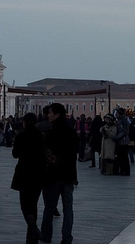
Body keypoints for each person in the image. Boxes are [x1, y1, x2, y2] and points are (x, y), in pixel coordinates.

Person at [43, 103, 78, 244]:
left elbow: (46, 151)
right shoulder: (71, 131)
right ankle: (67, 237)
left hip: (53, 175)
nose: (48, 115)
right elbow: (74, 153)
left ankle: (46, 235)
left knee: (49, 208)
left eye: (50, 113)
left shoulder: (51, 132)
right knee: (68, 208)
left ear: (57, 114)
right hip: (69, 174)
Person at [12, 113, 46, 244]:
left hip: (24, 172)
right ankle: (31, 238)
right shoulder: (41, 136)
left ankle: (33, 227)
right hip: (38, 173)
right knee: (33, 204)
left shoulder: (21, 136)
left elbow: (15, 154)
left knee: (24, 205)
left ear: (25, 122)